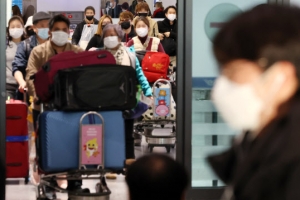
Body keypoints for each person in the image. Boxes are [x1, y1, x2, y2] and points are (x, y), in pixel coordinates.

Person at [207, 4, 300, 200]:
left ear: (280, 78)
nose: (220, 88)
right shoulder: (255, 144)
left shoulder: (290, 165)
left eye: (235, 74)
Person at [25, 14, 86, 199]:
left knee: (74, 145)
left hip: (71, 109)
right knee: (46, 146)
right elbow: (30, 76)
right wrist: (37, 95)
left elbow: (86, 75)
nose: (61, 33)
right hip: (44, 108)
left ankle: (75, 183)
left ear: (69, 32)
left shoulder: (76, 51)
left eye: (64, 30)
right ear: (50, 32)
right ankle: (49, 183)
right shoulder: (38, 52)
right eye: (57, 30)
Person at [99, 24, 152, 159]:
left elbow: (139, 74)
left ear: (119, 36)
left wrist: (148, 91)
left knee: (127, 134)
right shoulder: (98, 55)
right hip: (104, 100)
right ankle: (110, 164)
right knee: (107, 134)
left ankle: (129, 162)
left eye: (113, 35)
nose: (109, 38)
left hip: (126, 99)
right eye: (107, 35)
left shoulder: (130, 54)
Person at [13, 12, 51, 100]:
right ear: (34, 28)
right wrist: (22, 82)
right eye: (42, 26)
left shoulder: (56, 45)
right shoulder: (25, 45)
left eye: (48, 25)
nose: (46, 29)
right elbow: (17, 67)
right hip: (29, 91)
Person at [6, 16, 25, 99]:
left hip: (24, 86)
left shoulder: (27, 45)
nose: (15, 29)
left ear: (23, 28)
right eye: (12, 27)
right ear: (9, 30)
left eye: (18, 26)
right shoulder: (5, 45)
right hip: (7, 86)